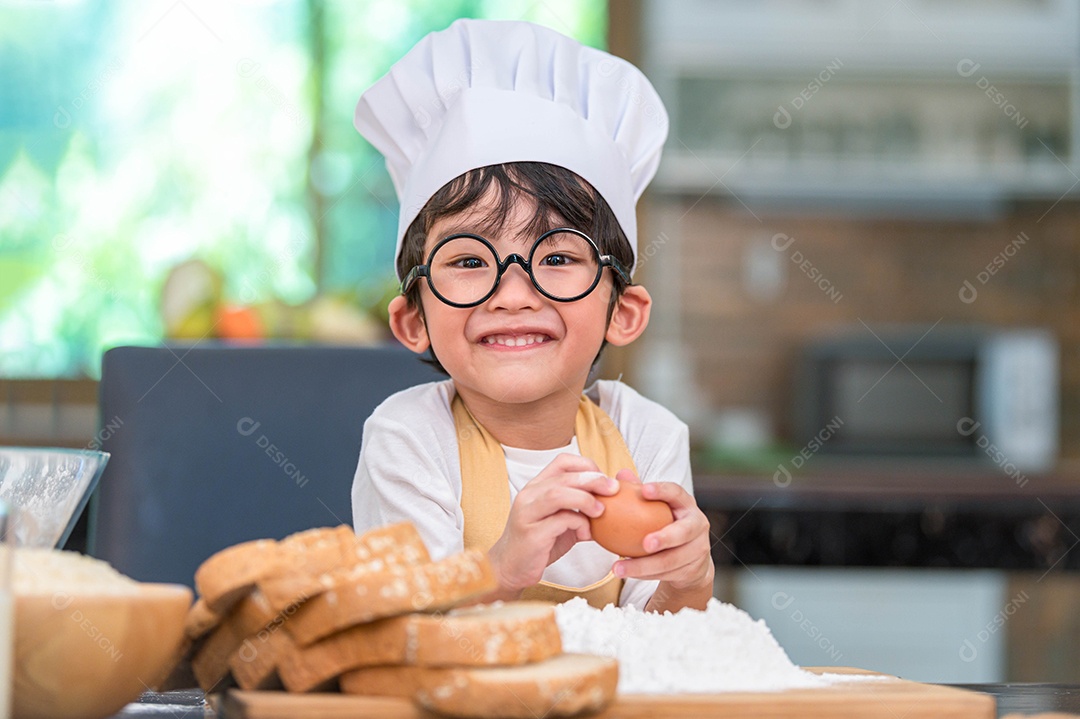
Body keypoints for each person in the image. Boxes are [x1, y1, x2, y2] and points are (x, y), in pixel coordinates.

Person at [350, 18, 713, 612]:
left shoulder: (647, 435)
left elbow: (663, 643)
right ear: (413, 320)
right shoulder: (410, 438)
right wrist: (499, 570)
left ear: (622, 312)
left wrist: (687, 582)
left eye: (558, 257)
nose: (513, 294)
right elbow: (408, 631)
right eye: (469, 260)